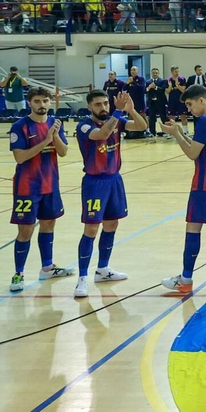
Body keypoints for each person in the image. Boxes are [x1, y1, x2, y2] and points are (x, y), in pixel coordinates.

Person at [159, 84, 206, 295]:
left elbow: (193, 154)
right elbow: (201, 147)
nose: (189, 109)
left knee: (193, 228)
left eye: (190, 104)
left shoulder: (204, 121)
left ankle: (185, 279)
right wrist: (179, 131)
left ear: (201, 100)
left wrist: (176, 135)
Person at [72, 89, 143, 298]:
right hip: (95, 182)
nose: (103, 107)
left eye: (105, 103)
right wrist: (118, 112)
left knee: (112, 224)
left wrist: (131, 110)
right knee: (91, 228)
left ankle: (103, 269)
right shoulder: (84, 125)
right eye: (98, 104)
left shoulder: (116, 119)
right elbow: (101, 135)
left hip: (114, 180)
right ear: (89, 107)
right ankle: (82, 278)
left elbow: (141, 126)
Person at [8, 87, 71, 293]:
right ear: (29, 103)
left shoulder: (56, 124)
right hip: (27, 186)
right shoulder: (20, 126)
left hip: (50, 183)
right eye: (37, 101)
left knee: (48, 224)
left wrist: (55, 137)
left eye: (45, 101)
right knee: (25, 230)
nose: (42, 105)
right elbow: (20, 157)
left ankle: (47, 267)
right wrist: (45, 141)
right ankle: (19, 273)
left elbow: (63, 153)